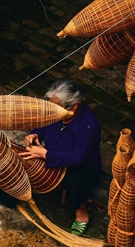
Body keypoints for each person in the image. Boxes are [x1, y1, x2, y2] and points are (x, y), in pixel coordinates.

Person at [11, 79, 101, 235]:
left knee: (76, 180)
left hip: (79, 165)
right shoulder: (54, 110)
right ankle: (11, 193)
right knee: (20, 160)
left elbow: (77, 157)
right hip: (53, 155)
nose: (53, 112)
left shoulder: (89, 124)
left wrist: (45, 154)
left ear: (74, 106)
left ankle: (81, 212)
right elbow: (41, 126)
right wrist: (34, 135)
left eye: (57, 109)